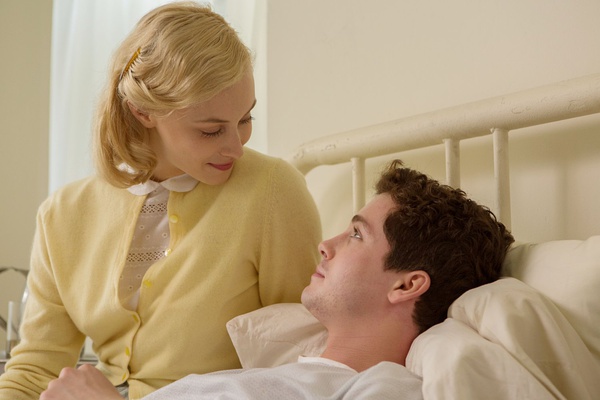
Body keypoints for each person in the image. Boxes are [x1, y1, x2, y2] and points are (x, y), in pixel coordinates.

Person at [0, 2, 321, 399]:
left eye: (245, 119)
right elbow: (35, 369)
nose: (237, 147)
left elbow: (303, 363)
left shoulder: (272, 192)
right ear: (142, 111)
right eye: (211, 131)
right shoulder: (62, 215)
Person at [38, 160, 515, 399]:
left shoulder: (383, 388)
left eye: (356, 234)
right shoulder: (280, 374)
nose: (325, 245)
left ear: (407, 285)